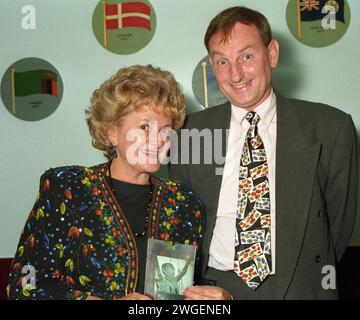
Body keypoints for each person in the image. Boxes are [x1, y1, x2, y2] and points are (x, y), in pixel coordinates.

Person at [170, 6, 358, 299]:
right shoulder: (189, 133)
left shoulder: (331, 129)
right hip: (211, 290)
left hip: (299, 288)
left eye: (247, 56)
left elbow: (336, 227)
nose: (236, 74)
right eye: (222, 62)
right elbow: (178, 228)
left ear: (272, 54)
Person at [7, 65, 207, 300]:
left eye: (165, 130)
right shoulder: (68, 188)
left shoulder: (184, 204)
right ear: (113, 132)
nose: (158, 141)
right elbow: (24, 286)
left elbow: (178, 295)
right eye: (145, 127)